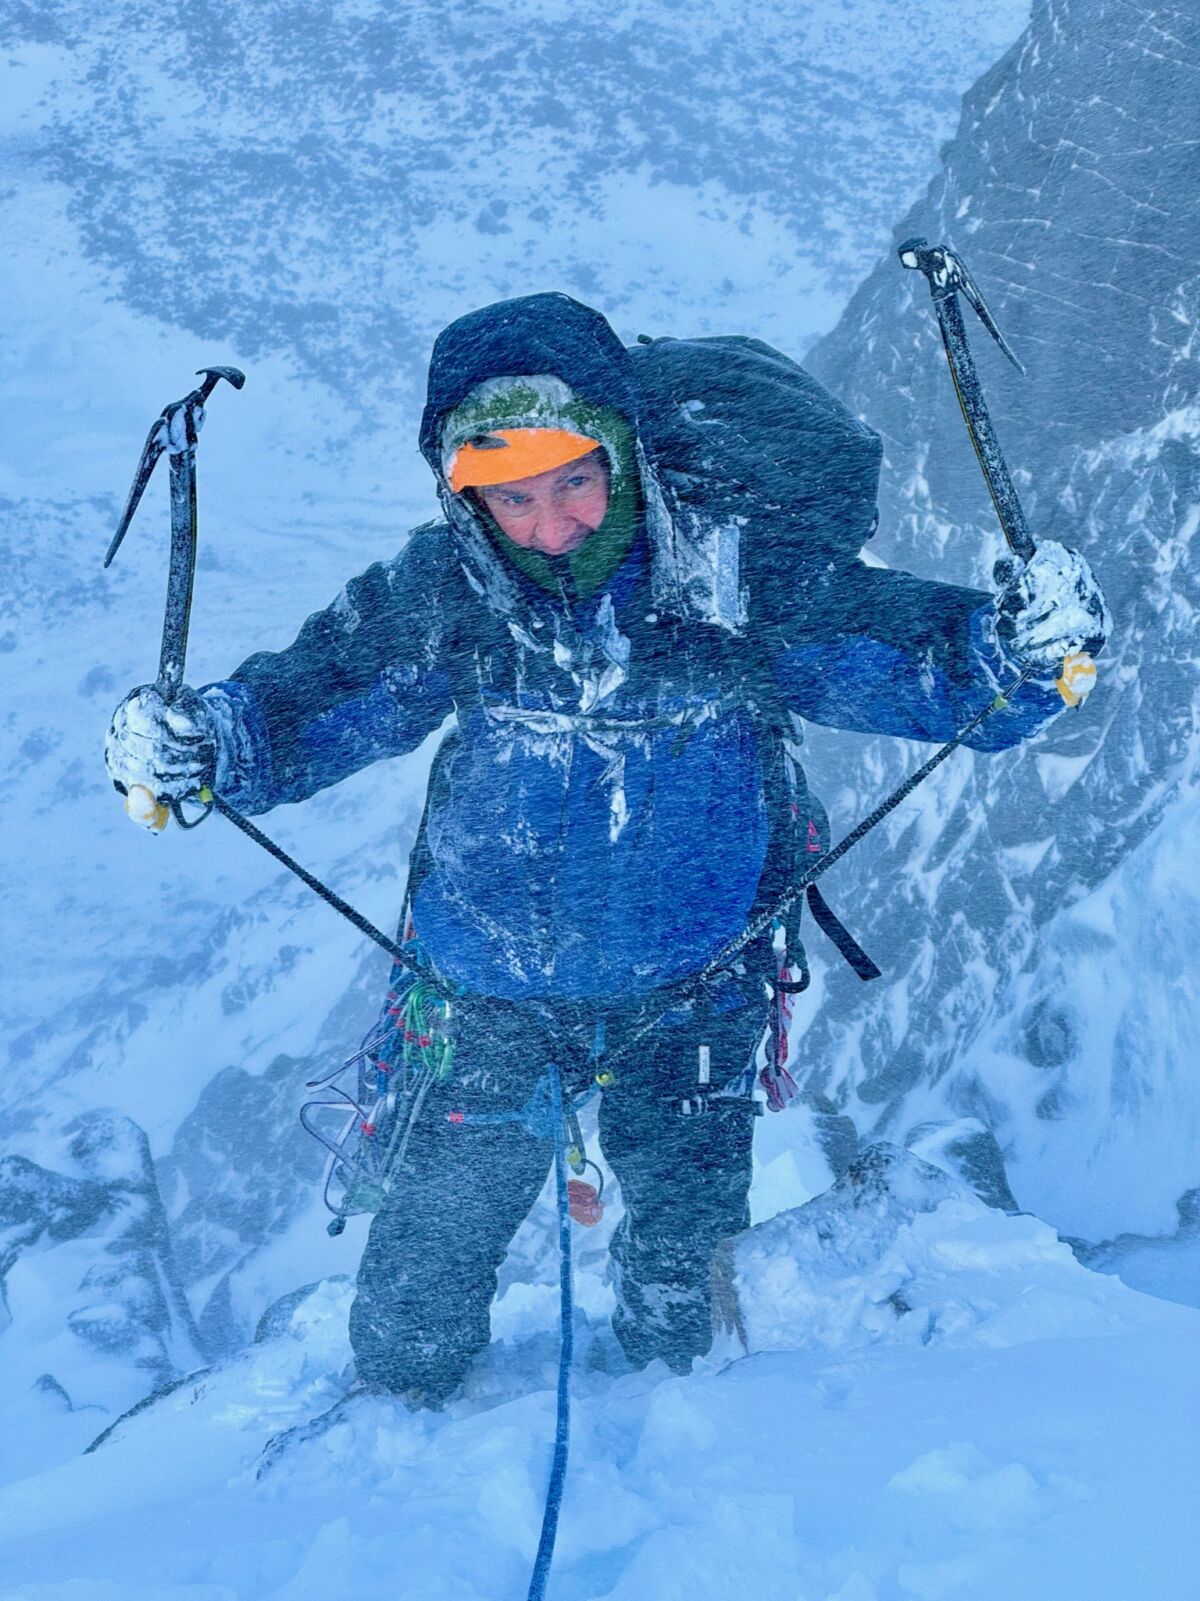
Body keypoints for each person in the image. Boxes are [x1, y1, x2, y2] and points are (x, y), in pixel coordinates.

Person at [105, 293, 1109, 1405]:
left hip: (688, 995)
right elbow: (316, 699)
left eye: (575, 481)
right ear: (464, 500)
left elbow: (916, 662)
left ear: (622, 455)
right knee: (406, 1326)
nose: (551, 526)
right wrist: (205, 741)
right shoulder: (448, 590)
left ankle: (671, 1459)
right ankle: (404, 1448)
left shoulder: (735, 583)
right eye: (512, 499)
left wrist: (1014, 647)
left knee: (682, 1302)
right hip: (486, 995)